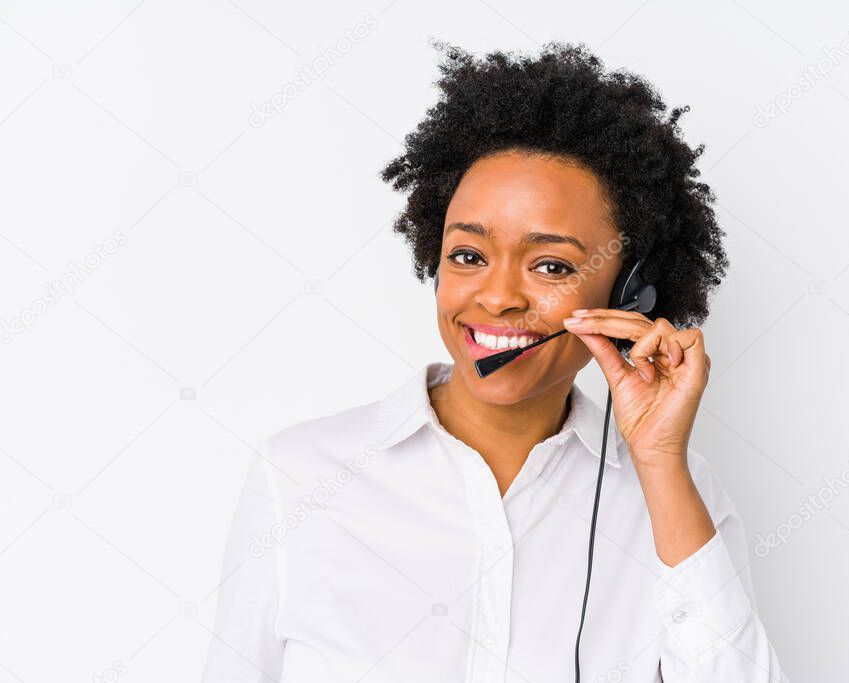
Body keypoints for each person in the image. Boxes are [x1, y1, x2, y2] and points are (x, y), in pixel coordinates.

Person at [201, 40, 788, 682]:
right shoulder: (300, 477)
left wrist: (659, 463)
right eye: (469, 256)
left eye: (552, 266)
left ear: (629, 293)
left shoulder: (678, 494)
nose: (499, 297)